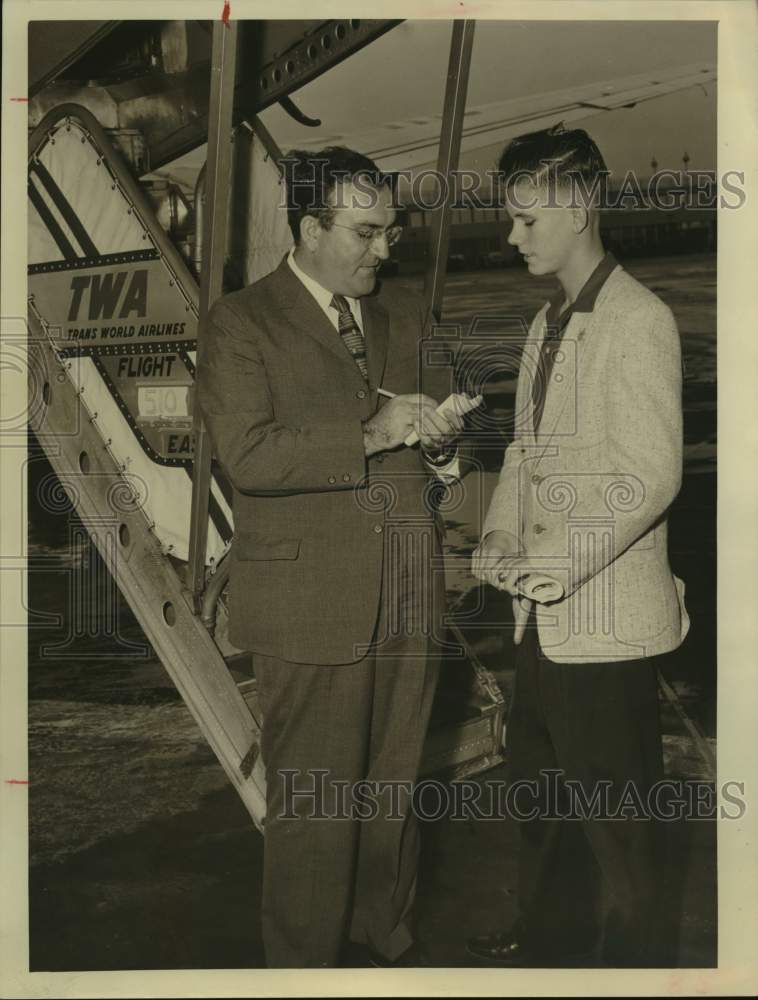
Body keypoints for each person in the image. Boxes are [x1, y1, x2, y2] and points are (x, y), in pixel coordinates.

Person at [197, 146, 464, 968]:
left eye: (389, 231)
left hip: (409, 597)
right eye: (365, 232)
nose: (384, 250)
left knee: (393, 791)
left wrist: (448, 439)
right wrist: (372, 433)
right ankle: (303, 969)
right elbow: (250, 455)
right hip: (310, 606)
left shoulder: (404, 313)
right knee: (315, 809)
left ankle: (385, 947)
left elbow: (443, 430)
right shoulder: (240, 323)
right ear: (310, 228)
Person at [468, 126, 690, 968]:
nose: (512, 235)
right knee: (545, 810)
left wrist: (557, 566)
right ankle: (552, 959)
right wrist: (497, 526)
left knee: (623, 837)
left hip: (603, 625)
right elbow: (526, 451)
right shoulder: (547, 322)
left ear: (580, 205)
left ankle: (638, 974)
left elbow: (651, 474)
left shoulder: (640, 319)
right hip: (544, 627)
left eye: (527, 219)